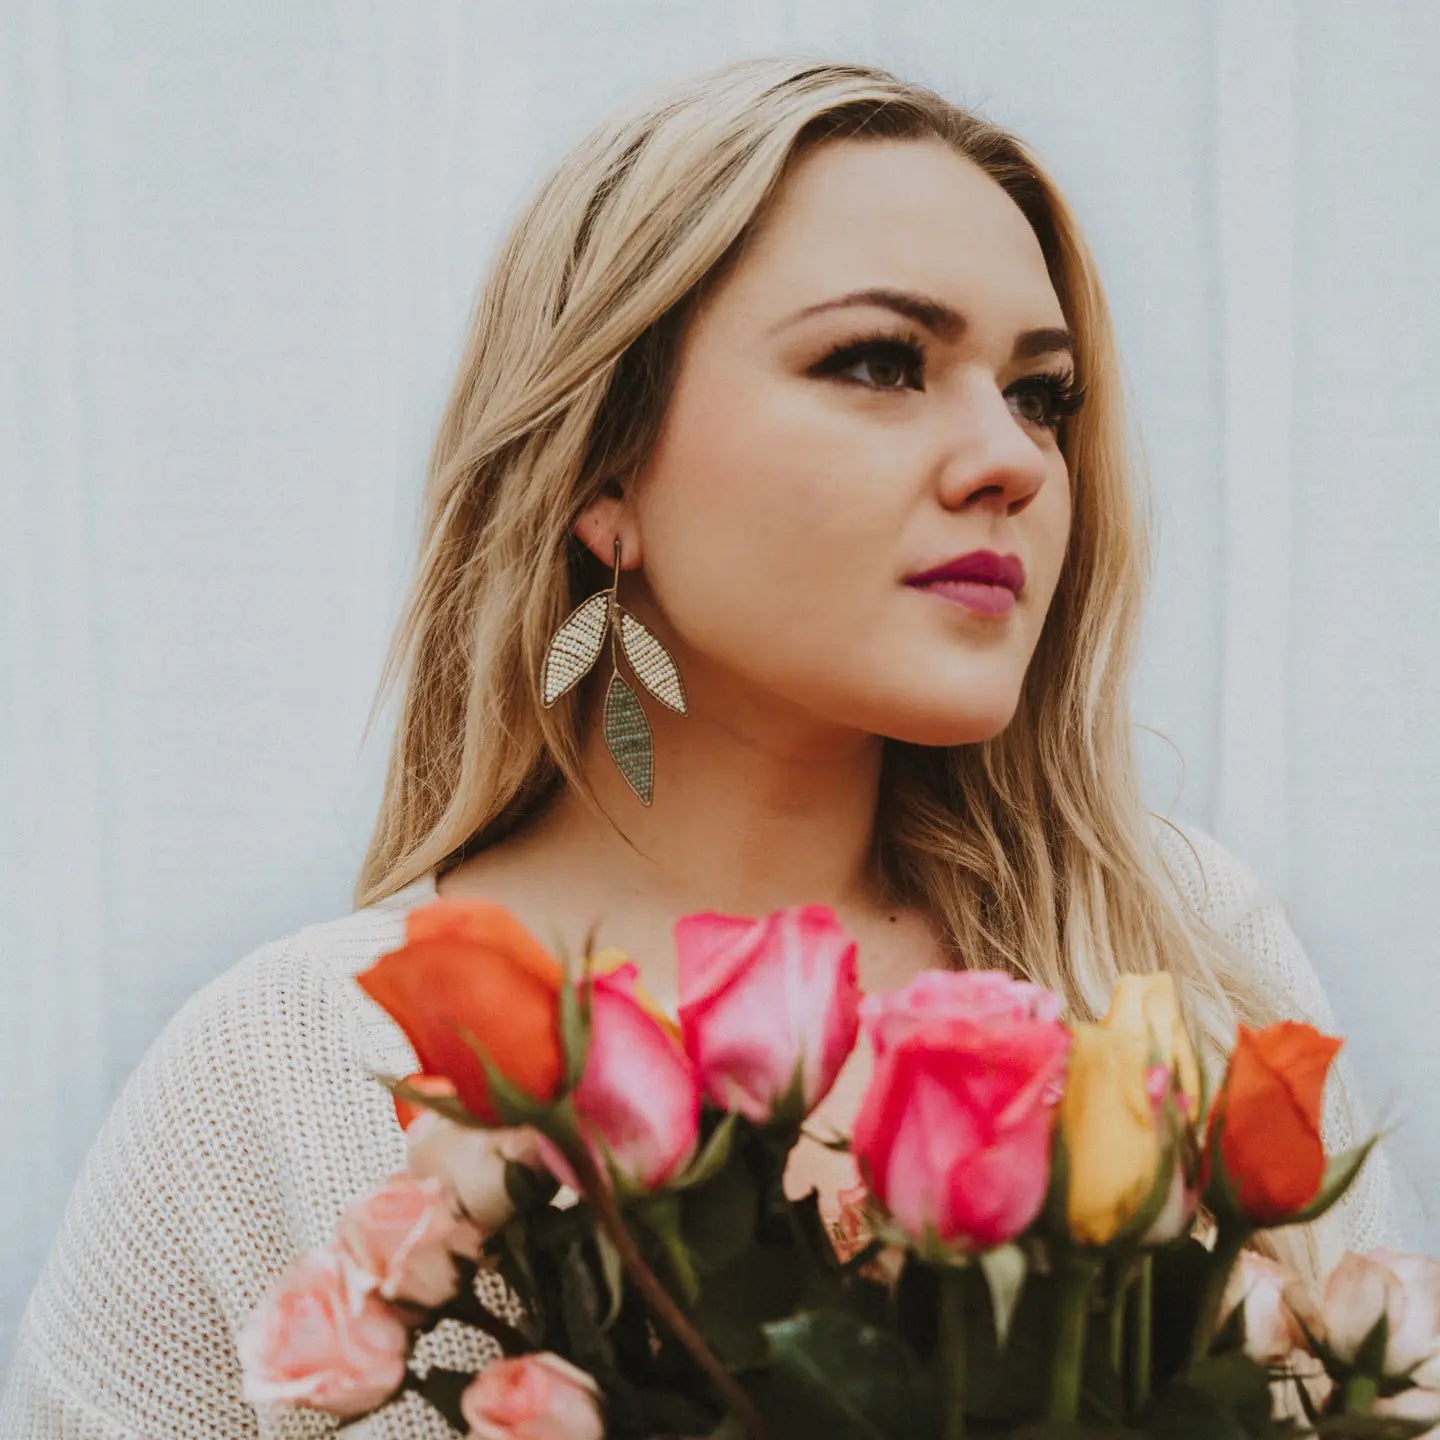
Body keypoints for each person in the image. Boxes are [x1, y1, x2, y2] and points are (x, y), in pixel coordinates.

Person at [0, 54, 1404, 1440]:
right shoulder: (280, 1072)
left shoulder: (1177, 949)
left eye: (1043, 394)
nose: (1015, 460)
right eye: (878, 362)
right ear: (603, 473)